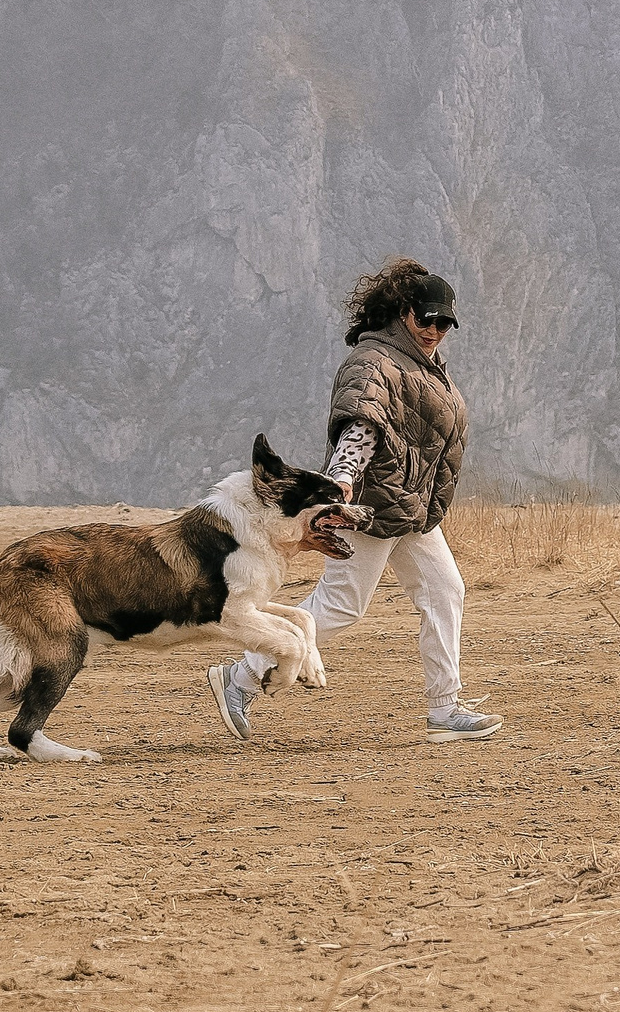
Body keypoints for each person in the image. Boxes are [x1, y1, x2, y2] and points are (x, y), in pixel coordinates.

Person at [206, 258, 503, 743]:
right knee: (342, 605)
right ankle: (239, 677)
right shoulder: (374, 362)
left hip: (409, 509)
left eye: (444, 323)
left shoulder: (421, 362)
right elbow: (359, 427)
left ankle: (445, 708)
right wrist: (340, 487)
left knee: (445, 590)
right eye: (426, 319)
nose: (435, 329)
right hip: (368, 508)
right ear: (404, 312)